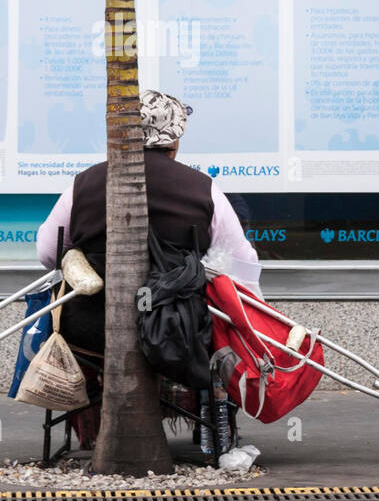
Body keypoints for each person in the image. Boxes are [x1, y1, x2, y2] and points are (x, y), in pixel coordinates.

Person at [35, 90, 262, 353]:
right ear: (174, 139)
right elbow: (241, 263)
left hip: (90, 332)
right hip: (178, 333)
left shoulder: (83, 184)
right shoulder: (203, 189)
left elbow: (48, 254)